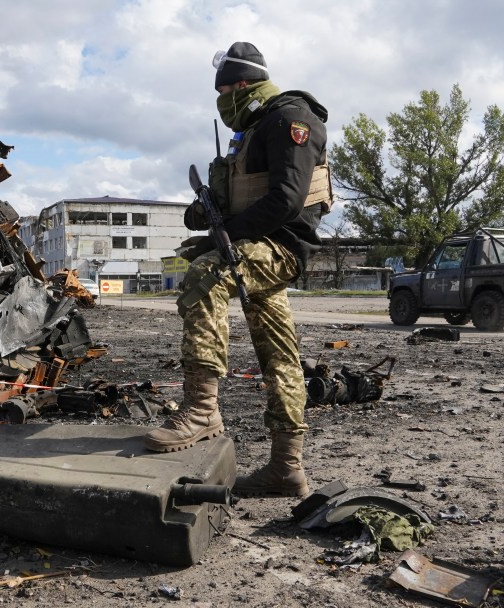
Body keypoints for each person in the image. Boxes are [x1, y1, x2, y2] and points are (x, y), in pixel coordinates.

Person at [143, 42, 333, 499]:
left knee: (205, 273)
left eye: (225, 89)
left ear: (242, 85)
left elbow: (286, 200)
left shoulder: (291, 119)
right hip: (254, 245)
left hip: (280, 247)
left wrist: (218, 239)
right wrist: (206, 215)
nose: (222, 99)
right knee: (280, 355)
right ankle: (287, 469)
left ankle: (202, 410)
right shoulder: (253, 129)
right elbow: (247, 194)